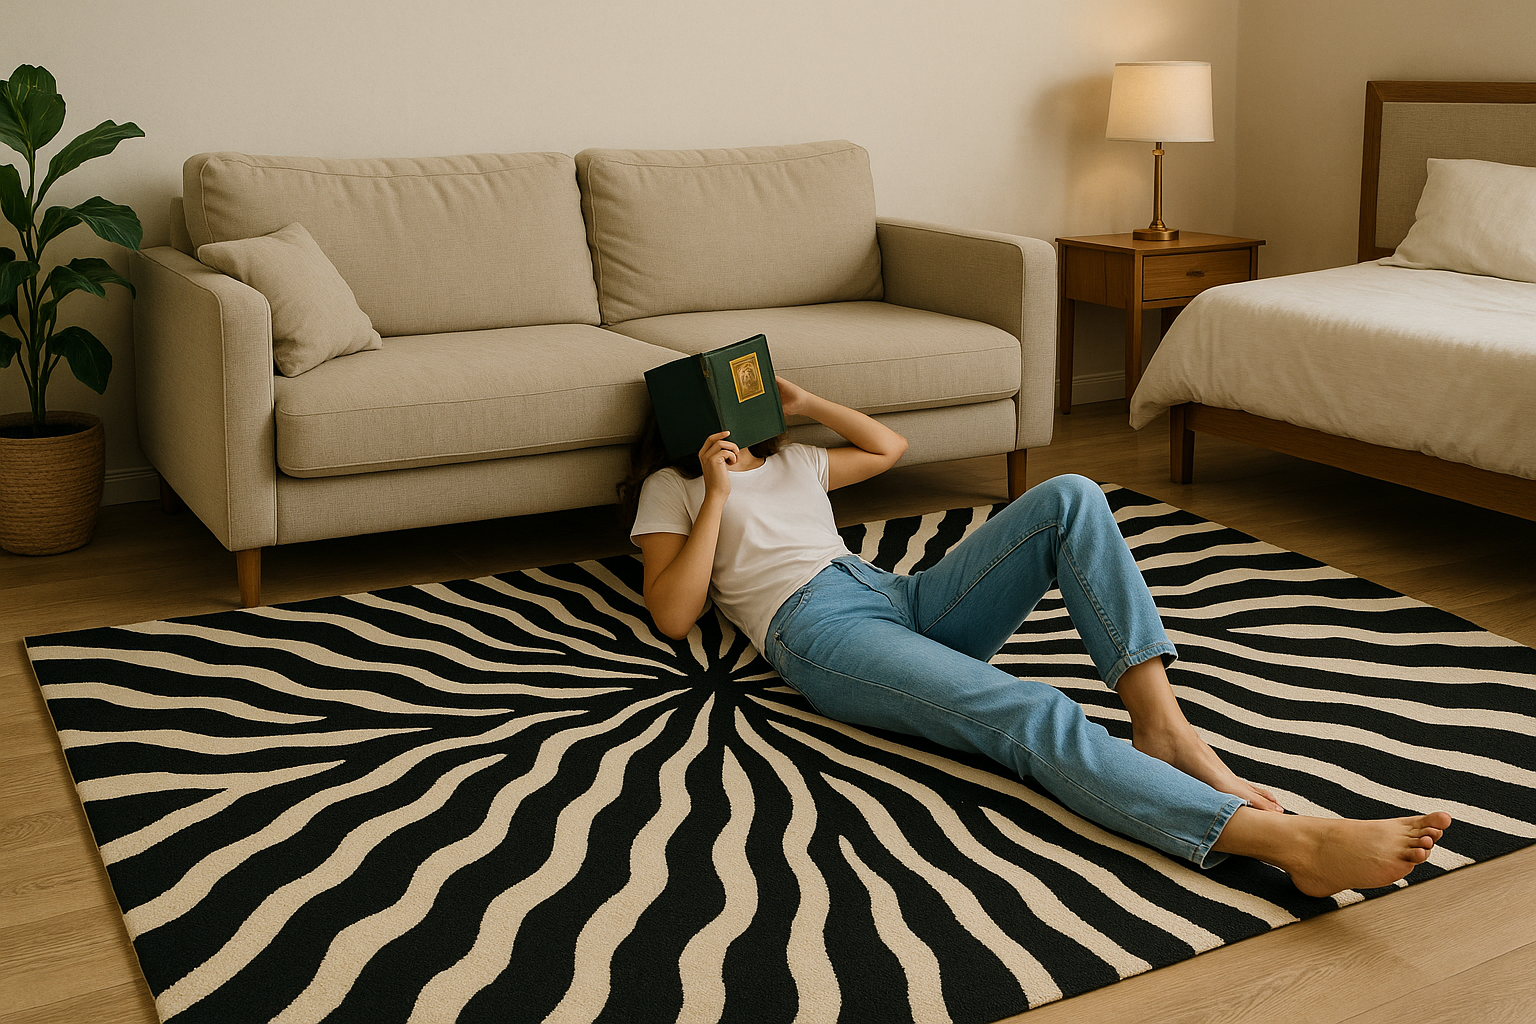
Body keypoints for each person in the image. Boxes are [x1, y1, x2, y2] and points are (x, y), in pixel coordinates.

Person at [622, 376, 1451, 898]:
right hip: (817, 628)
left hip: (894, 593)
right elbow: (674, 611)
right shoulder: (674, 487)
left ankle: (1161, 723)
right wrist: (718, 495)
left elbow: (889, 446)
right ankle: (1289, 842)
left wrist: (802, 404)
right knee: (1032, 710)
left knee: (1071, 494)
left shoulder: (799, 457)